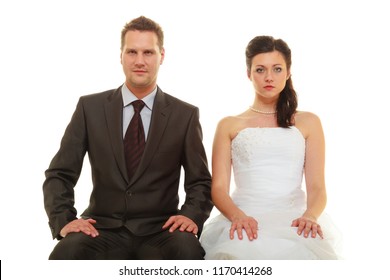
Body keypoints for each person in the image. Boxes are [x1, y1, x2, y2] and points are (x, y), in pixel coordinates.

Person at [43, 16, 213, 260]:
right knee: (66, 253)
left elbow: (200, 181)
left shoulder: (185, 115)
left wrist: (190, 215)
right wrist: (64, 220)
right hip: (101, 228)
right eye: (132, 52)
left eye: (148, 52)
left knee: (189, 251)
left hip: (162, 230)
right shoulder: (90, 108)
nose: (140, 61)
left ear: (162, 55)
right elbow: (59, 173)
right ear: (120, 55)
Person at [200, 35, 342, 259]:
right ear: (248, 74)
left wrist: (311, 216)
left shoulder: (309, 122)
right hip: (244, 215)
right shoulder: (228, 125)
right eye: (260, 70)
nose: (269, 77)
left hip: (294, 217)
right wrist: (238, 217)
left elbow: (317, 187)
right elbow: (218, 189)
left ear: (288, 73)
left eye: (277, 69)